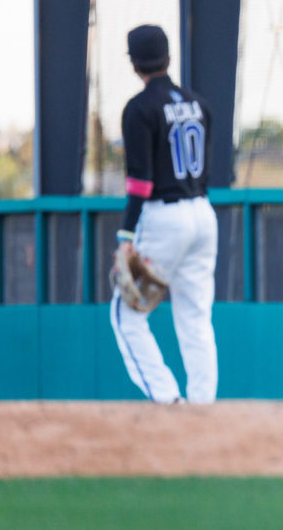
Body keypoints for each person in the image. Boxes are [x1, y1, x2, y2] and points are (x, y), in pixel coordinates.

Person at [110, 24, 219, 404]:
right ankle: (202, 407)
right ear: (169, 58)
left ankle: (168, 400)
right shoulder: (200, 104)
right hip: (203, 213)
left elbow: (140, 182)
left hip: (165, 220)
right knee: (195, 316)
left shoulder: (139, 108)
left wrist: (125, 236)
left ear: (134, 65)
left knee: (127, 315)